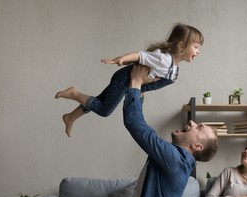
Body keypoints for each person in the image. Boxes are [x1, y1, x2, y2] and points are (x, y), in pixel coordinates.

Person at [57, 64, 218, 197]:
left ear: (197, 147)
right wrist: (139, 88)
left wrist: (135, 83)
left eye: (199, 127)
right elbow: (139, 120)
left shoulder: (178, 160)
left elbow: (136, 124)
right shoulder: (169, 156)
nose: (192, 123)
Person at [55, 23, 203, 137]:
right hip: (123, 80)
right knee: (105, 110)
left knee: (99, 100)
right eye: (196, 47)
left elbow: (151, 79)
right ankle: (74, 93)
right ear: (182, 45)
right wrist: (121, 59)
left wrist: (141, 92)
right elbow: (140, 55)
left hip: (133, 85)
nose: (198, 51)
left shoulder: (174, 68)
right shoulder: (163, 59)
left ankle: (70, 117)